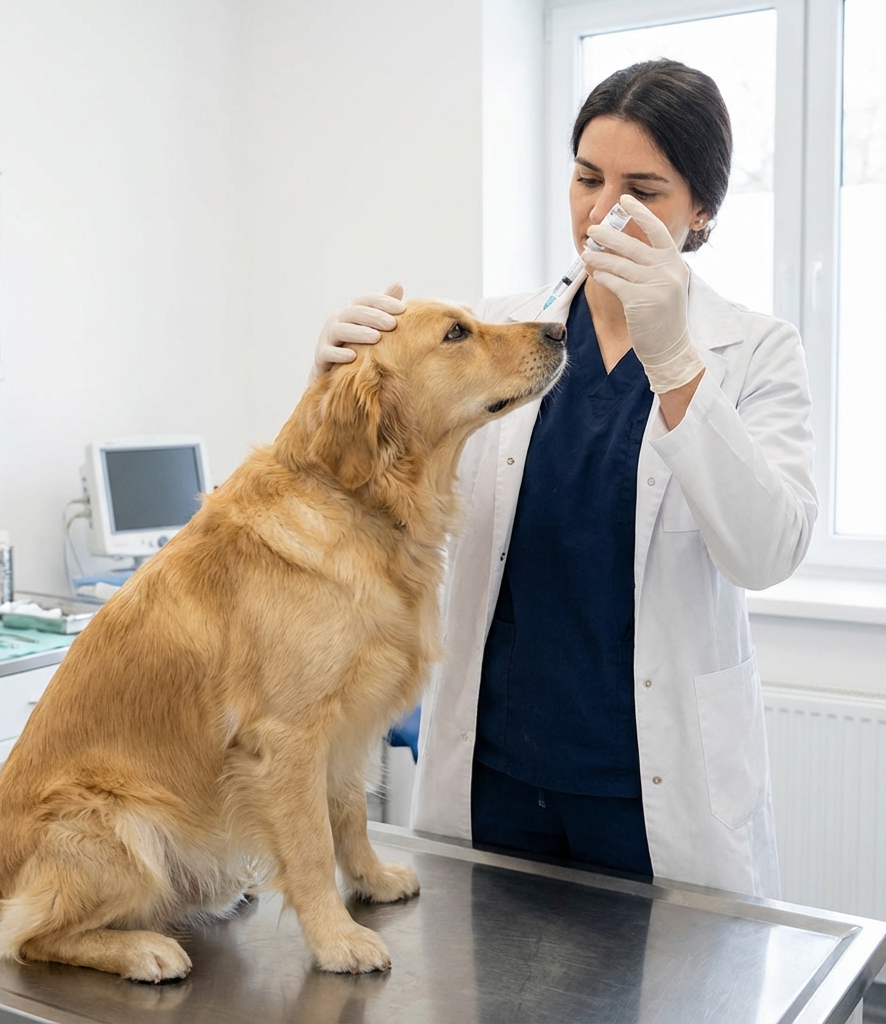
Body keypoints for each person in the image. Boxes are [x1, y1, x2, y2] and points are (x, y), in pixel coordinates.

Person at [310, 60, 816, 897]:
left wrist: (674, 361)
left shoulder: (757, 351)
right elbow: (366, 495)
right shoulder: (496, 335)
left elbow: (766, 551)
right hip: (496, 774)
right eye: (587, 179)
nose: (602, 211)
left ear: (701, 211)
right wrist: (335, 383)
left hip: (650, 791)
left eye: (642, 190)